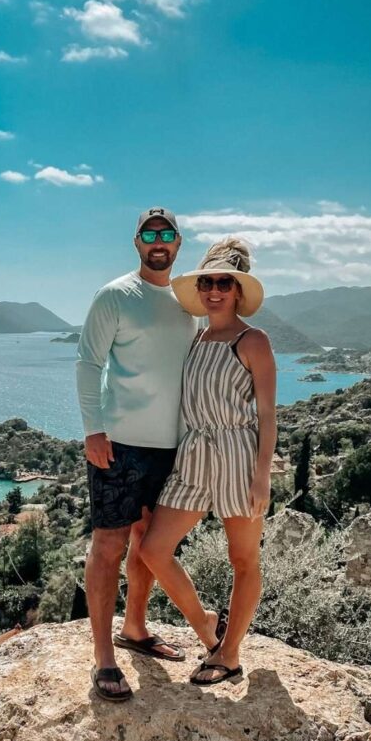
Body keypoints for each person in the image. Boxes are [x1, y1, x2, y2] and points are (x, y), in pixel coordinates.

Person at [141, 237, 276, 685]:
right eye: (208, 281)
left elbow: (268, 416)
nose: (215, 290)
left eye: (224, 282)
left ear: (238, 291)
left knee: (243, 561)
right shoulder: (196, 338)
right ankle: (205, 624)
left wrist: (262, 476)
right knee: (153, 549)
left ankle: (230, 653)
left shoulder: (253, 340)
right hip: (194, 453)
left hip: (238, 454)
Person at [76, 207, 197, 700]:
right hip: (119, 443)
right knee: (109, 545)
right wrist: (93, 430)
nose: (158, 242)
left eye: (166, 234)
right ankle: (104, 658)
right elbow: (88, 362)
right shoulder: (116, 295)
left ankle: (137, 629)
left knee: (149, 542)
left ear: (178, 242)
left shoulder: (188, 300)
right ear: (137, 243)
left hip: (172, 445)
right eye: (150, 234)